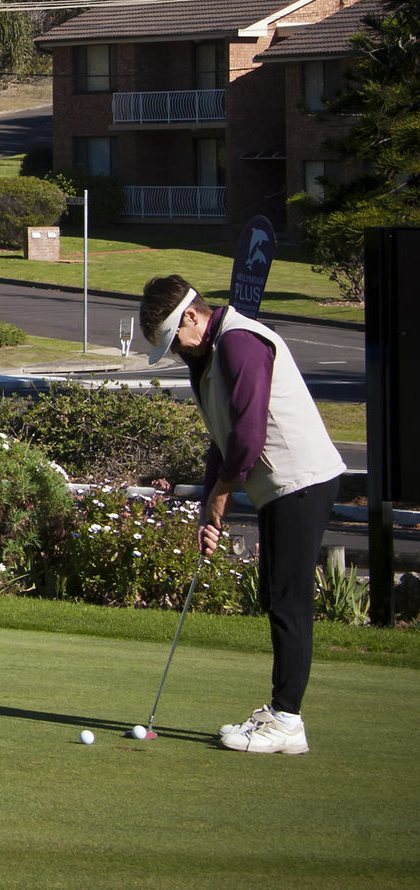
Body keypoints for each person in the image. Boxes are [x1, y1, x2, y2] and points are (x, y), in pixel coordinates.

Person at [137, 274, 346, 754]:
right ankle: (280, 712)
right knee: (276, 595)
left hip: (302, 479)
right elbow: (223, 440)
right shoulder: (208, 356)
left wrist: (223, 493)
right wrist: (211, 508)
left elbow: (249, 437)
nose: (175, 351)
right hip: (280, 487)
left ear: (192, 315)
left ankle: (288, 722)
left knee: (289, 601)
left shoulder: (240, 343)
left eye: (174, 339)